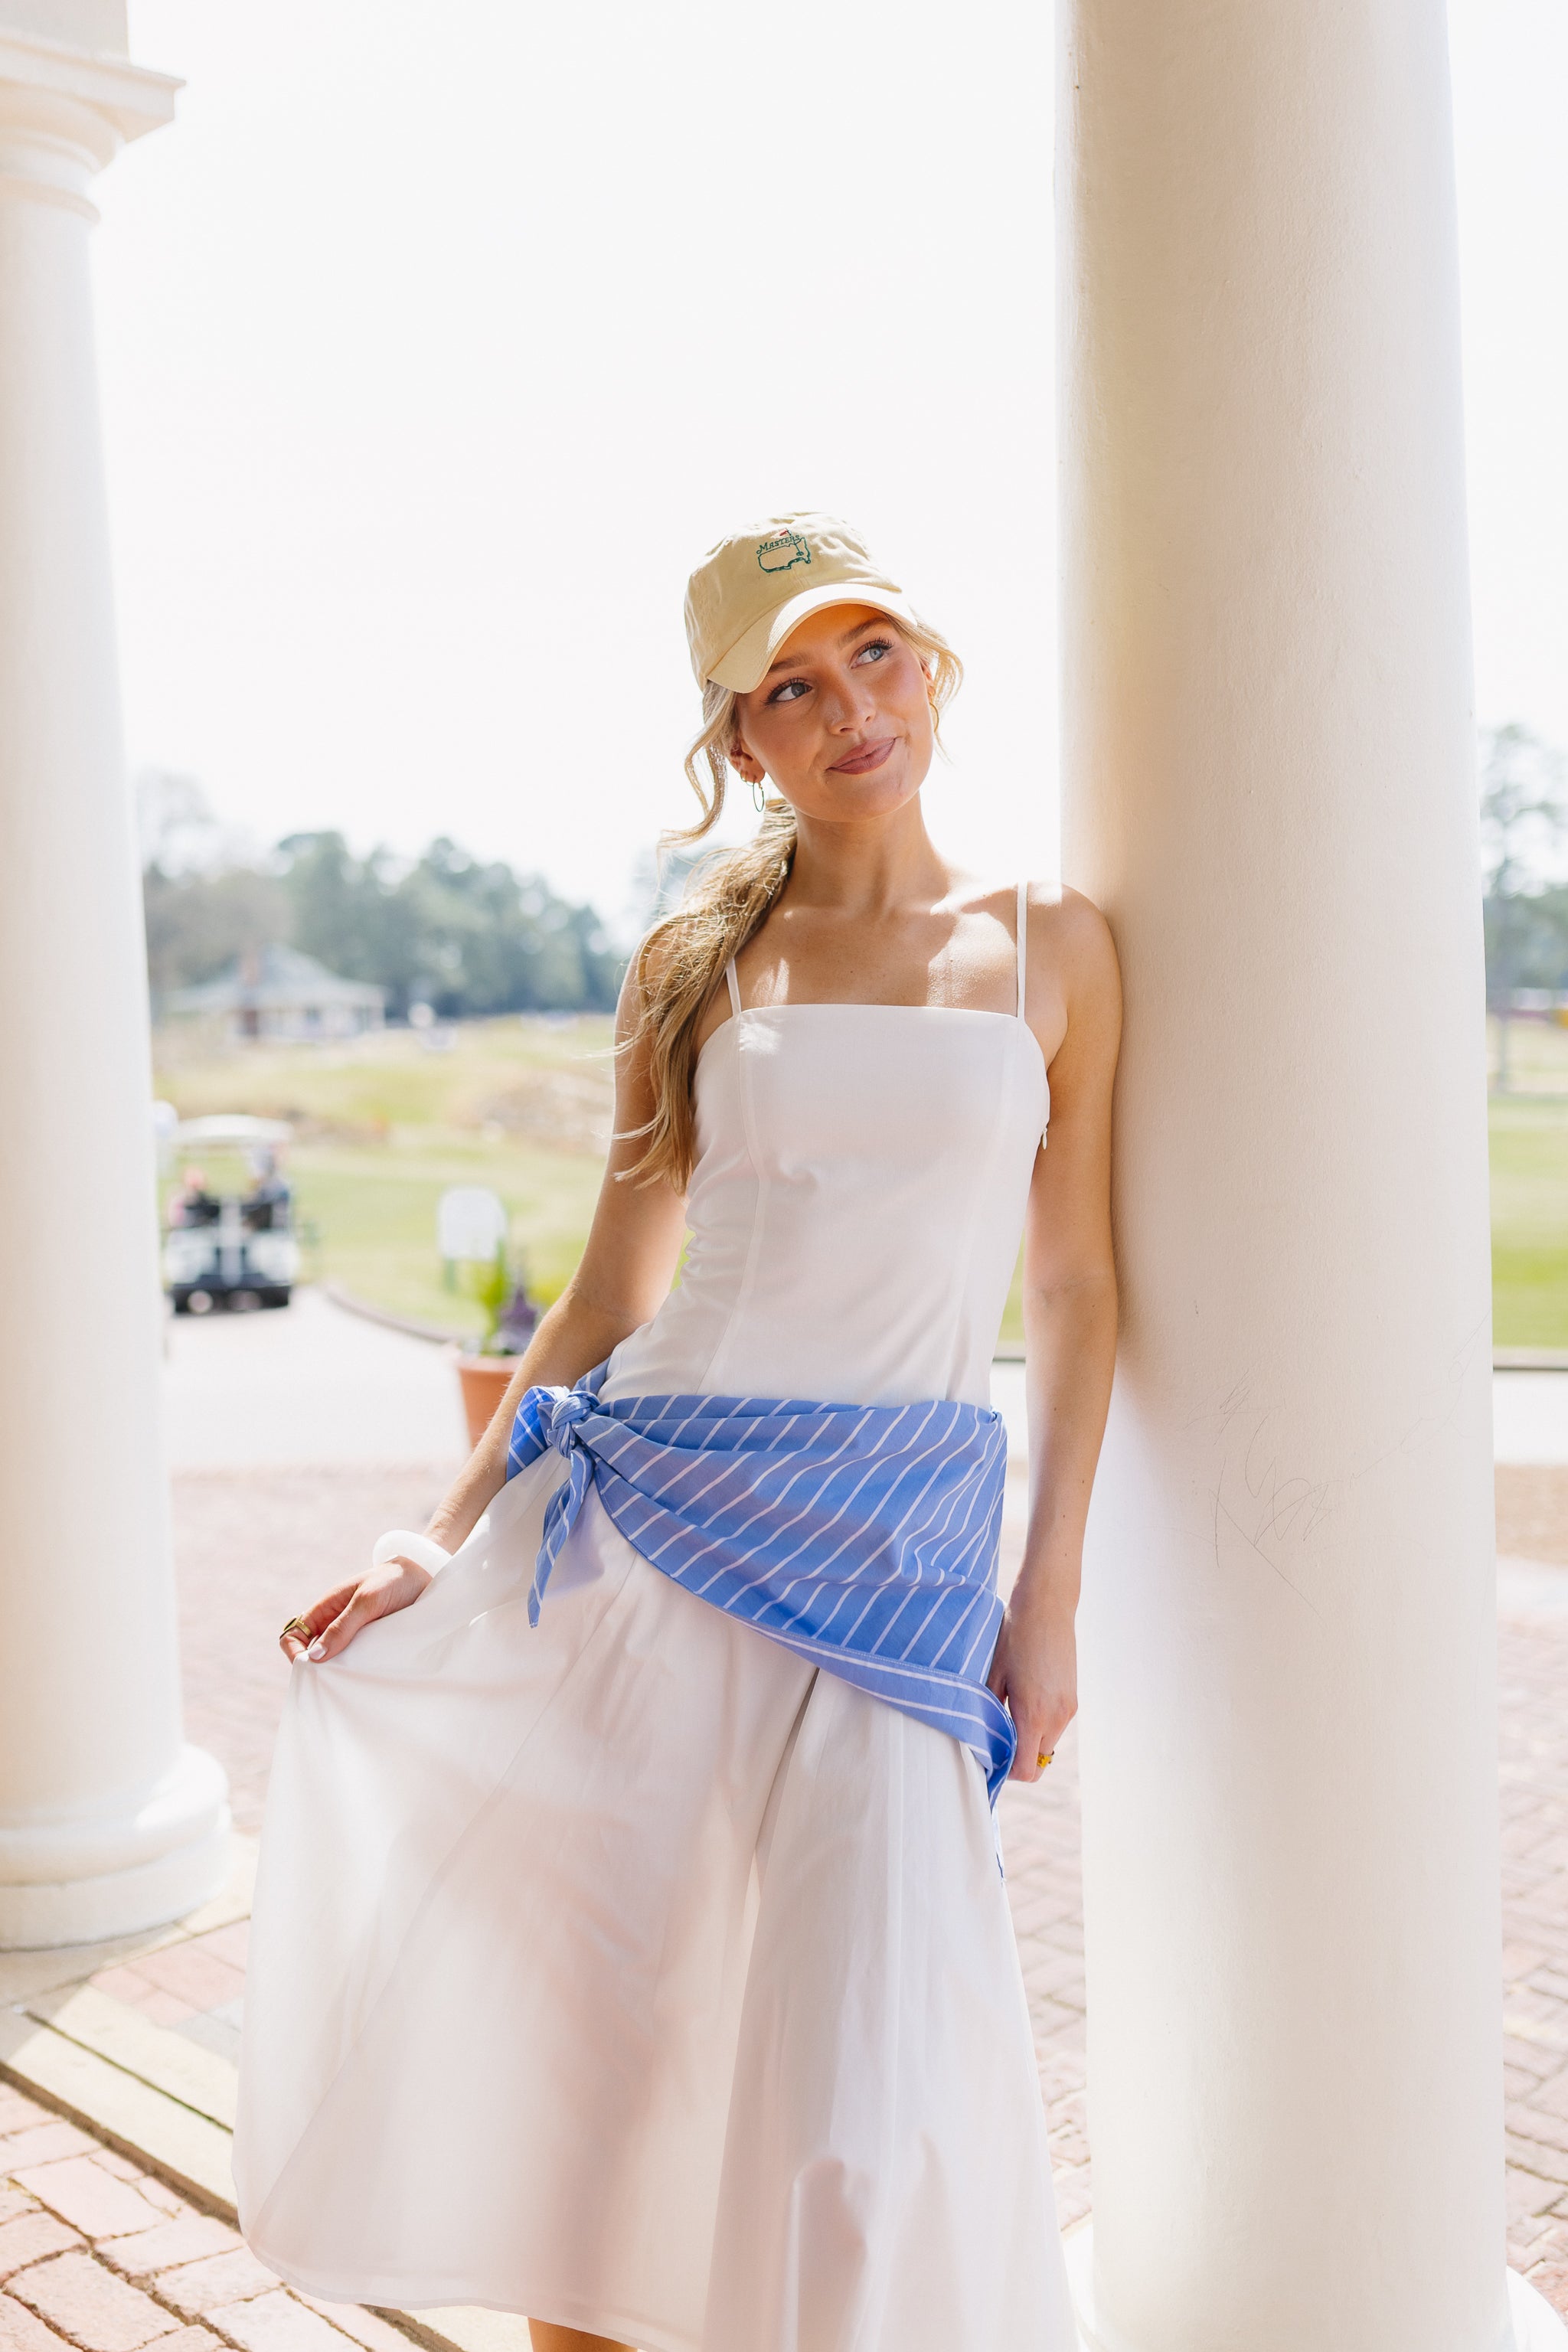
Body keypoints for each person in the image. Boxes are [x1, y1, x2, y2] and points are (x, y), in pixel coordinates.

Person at [237, 513, 1122, 2352]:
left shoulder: (1057, 945)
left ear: (932, 667)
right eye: (788, 688)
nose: (848, 710)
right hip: (653, 1539)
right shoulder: (693, 963)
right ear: (739, 740)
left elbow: (1074, 1288)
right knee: (616, 2062)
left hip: (896, 1572)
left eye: (871, 654)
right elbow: (605, 1297)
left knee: (861, 2108)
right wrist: (437, 1534)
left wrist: (1047, 1599)